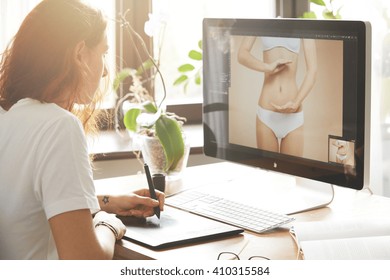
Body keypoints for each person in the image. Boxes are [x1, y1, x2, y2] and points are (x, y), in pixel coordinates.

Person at [0, 0, 164, 260]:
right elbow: (86, 263)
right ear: (79, 54)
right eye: (103, 53)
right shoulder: (59, 127)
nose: (106, 70)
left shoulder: (8, 116)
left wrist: (106, 201)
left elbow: (29, 207)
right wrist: (107, 224)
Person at [237, 36, 317, 156]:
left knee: (292, 171)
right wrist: (267, 67)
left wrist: (296, 102)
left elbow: (313, 71)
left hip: (293, 114)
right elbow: (242, 55)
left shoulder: (304, 23)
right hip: (266, 113)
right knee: (267, 173)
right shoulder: (263, 21)